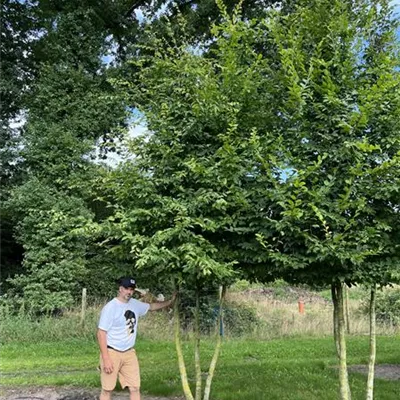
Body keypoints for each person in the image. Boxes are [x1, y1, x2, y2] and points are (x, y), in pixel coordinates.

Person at [97, 277, 176, 400]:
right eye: (126, 289)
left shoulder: (134, 304)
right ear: (120, 289)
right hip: (112, 352)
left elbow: (151, 307)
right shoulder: (110, 307)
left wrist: (169, 302)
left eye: (132, 290)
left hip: (129, 352)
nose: (129, 292)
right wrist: (106, 358)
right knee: (107, 389)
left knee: (135, 387)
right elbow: (101, 333)